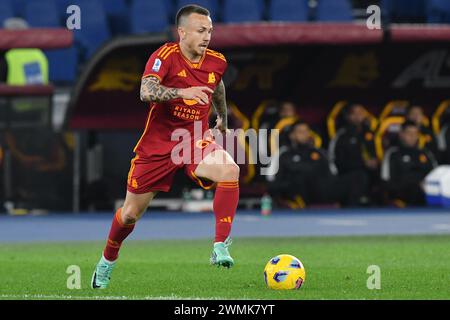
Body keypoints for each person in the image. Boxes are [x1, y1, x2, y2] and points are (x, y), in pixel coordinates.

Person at [91, 5, 240, 289]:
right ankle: (107, 260)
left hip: (194, 139)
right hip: (158, 146)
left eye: (209, 30)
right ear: (182, 32)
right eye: (200, 30)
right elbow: (146, 91)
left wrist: (221, 115)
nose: (207, 36)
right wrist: (183, 92)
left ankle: (220, 245)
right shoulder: (165, 56)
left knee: (230, 170)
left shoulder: (217, 61)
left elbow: (216, 85)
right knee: (130, 213)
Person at [268, 121, 368, 208]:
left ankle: (350, 210)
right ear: (292, 135)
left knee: (359, 176)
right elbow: (272, 180)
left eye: (306, 131)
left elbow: (333, 174)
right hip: (301, 192)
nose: (304, 134)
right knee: (300, 177)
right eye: (300, 132)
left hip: (323, 190)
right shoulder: (284, 154)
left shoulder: (319, 152)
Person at [328, 103, 378, 203]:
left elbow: (373, 153)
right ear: (348, 116)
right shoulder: (342, 135)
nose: (359, 116)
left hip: (368, 173)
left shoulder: (369, 133)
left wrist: (374, 161)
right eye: (355, 113)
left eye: (361, 113)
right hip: (346, 175)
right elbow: (336, 161)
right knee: (359, 176)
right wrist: (364, 163)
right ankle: (353, 207)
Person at [381, 121, 437, 206]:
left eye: (415, 133)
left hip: (425, 198)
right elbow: (386, 182)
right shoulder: (392, 153)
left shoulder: (425, 153)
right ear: (401, 134)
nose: (412, 136)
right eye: (409, 133)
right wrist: (414, 184)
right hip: (401, 200)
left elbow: (436, 176)